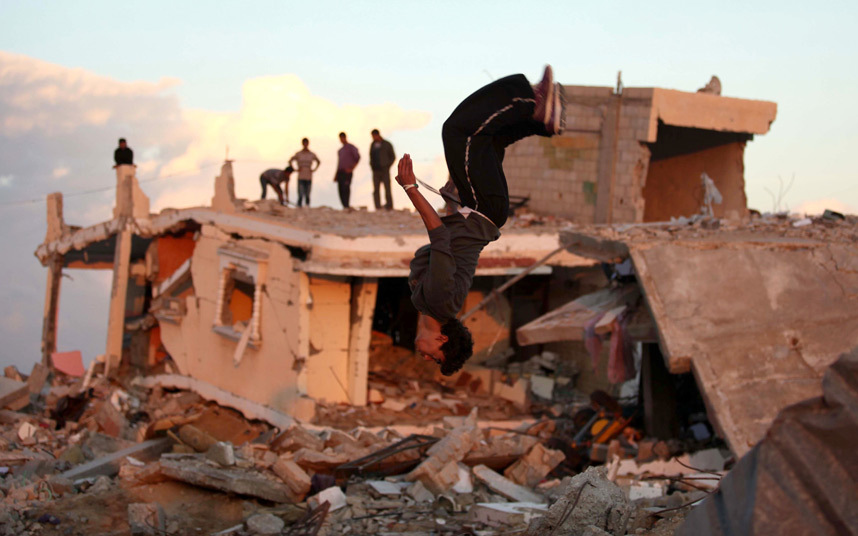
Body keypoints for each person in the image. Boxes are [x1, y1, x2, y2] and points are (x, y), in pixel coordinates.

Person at [398, 66, 565, 376]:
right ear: (442, 339)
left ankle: (544, 124)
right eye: (435, 357)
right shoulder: (439, 302)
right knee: (457, 132)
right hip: (482, 208)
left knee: (489, 142)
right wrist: (411, 188)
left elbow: (452, 241)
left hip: (475, 210)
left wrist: (450, 203)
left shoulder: (424, 300)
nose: (426, 357)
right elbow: (441, 239)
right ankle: (531, 102)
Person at [369, 129, 396, 210]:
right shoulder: (373, 145)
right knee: (376, 189)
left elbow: (393, 157)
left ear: (377, 135)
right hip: (376, 170)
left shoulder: (387, 144)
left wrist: (387, 165)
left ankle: (389, 205)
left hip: (385, 170)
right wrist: (372, 166)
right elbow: (371, 157)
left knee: (387, 188)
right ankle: (378, 206)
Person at [289, 138, 321, 207]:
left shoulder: (311, 154)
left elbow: (318, 162)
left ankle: (307, 206)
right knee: (300, 193)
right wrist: (295, 169)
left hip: (308, 176)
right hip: (301, 175)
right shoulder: (299, 154)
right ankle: (299, 206)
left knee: (307, 193)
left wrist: (314, 169)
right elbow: (290, 160)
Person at [334, 132, 360, 208]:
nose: (341, 139)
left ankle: (347, 205)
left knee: (346, 188)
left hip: (347, 172)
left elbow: (358, 158)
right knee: (340, 189)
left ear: (345, 137)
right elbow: (339, 163)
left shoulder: (351, 147)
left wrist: (352, 168)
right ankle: (344, 206)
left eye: (342, 138)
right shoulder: (340, 150)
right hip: (340, 172)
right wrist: (336, 175)